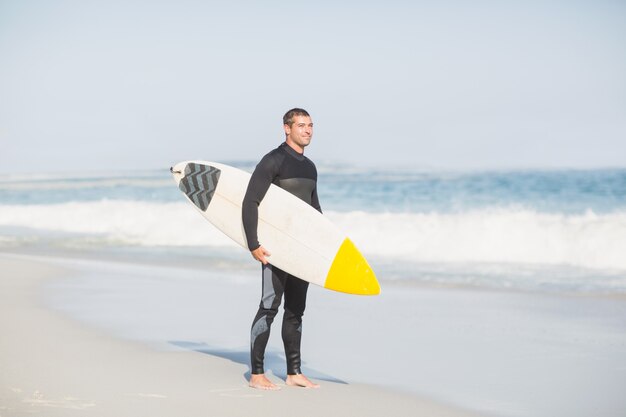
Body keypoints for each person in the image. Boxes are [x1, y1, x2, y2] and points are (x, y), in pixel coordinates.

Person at [242, 108, 321, 390]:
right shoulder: (273, 160)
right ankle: (257, 374)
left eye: (310, 125)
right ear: (287, 128)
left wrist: (322, 245)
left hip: (300, 251)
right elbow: (250, 202)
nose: (308, 130)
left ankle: (294, 372)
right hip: (275, 250)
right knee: (268, 308)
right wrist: (254, 244)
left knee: (296, 311)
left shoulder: (310, 167)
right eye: (301, 125)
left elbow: (314, 211)